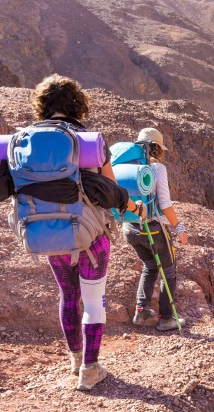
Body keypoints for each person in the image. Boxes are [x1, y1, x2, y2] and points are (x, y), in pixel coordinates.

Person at [31, 74, 143, 391]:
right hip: (90, 237)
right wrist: (134, 209)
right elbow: (112, 188)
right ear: (76, 104)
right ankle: (91, 370)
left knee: (68, 296)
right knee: (93, 302)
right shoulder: (88, 141)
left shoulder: (26, 141)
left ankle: (75, 360)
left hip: (49, 234)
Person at [124, 128, 189, 332]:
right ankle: (166, 318)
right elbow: (165, 203)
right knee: (168, 270)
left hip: (129, 228)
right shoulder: (157, 168)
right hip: (152, 228)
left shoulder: (126, 167)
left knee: (150, 267)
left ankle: (141, 311)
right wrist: (180, 228)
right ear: (157, 148)